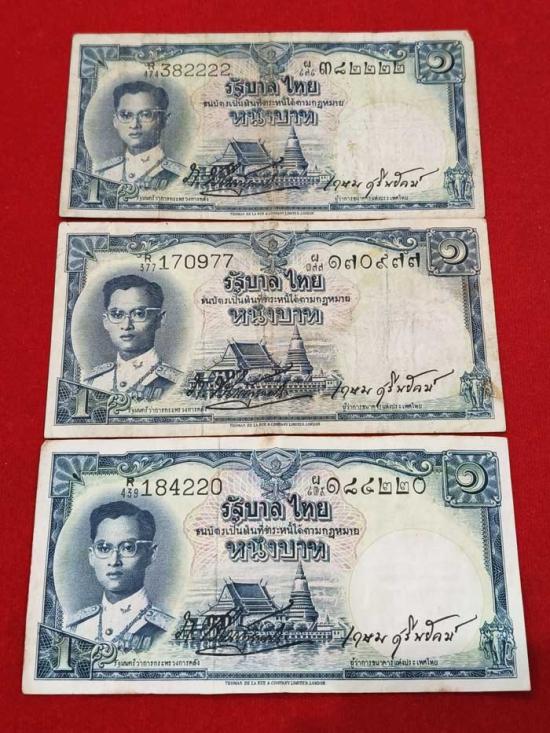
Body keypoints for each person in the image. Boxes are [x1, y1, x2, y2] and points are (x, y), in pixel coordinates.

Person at [66, 501, 174, 651]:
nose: (114, 561)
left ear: (150, 553)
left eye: (128, 548)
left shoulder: (168, 632)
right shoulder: (75, 627)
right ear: (91, 556)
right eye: (104, 548)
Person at [84, 274, 183, 399]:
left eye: (139, 314)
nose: (126, 325)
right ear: (106, 321)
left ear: (159, 319)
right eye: (117, 314)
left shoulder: (176, 384)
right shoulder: (92, 382)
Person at [95, 81, 184, 188]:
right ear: (115, 121)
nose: (134, 125)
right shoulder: (102, 174)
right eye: (126, 115)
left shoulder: (180, 177)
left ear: (164, 120)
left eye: (146, 115)